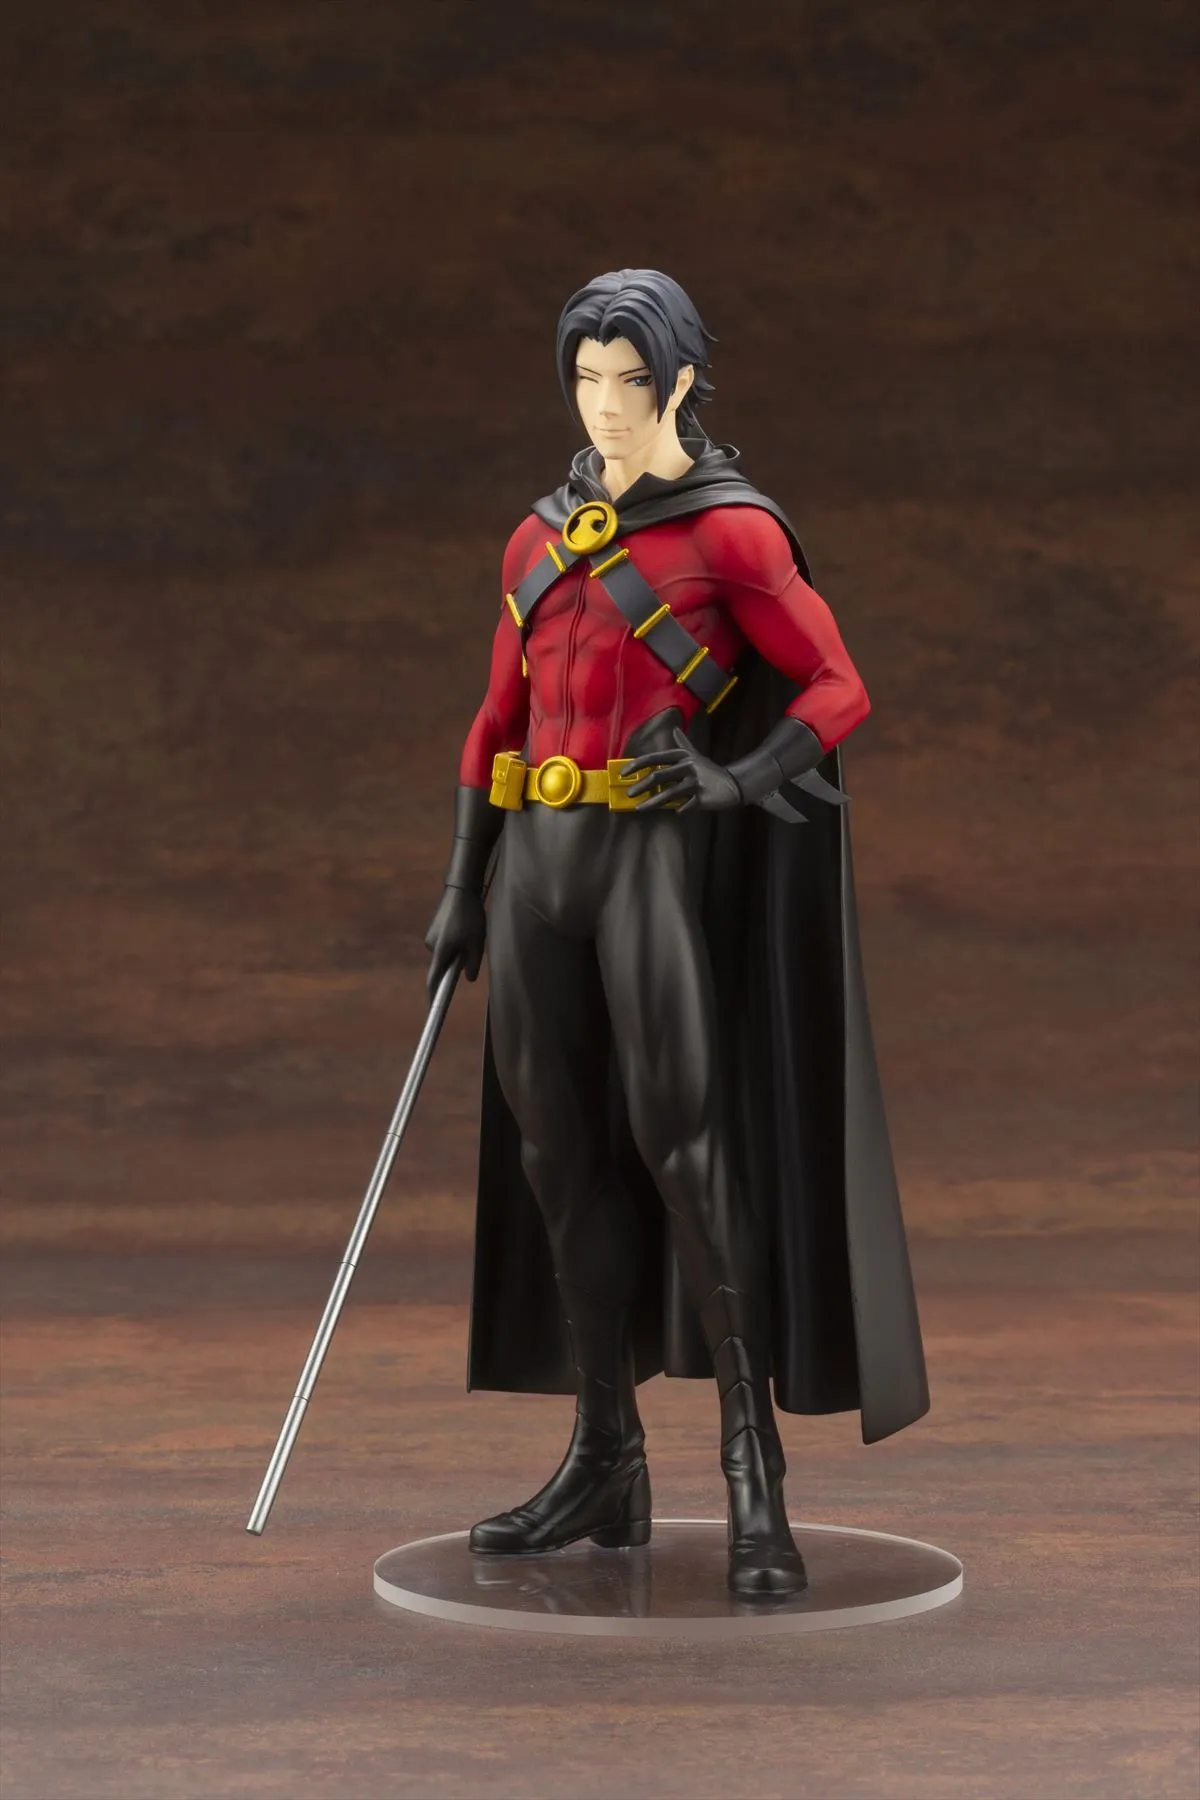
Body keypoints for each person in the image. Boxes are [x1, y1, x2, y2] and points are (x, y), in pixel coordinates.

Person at [424, 269, 928, 1598]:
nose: (603, 405)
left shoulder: (732, 533)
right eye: (585, 378)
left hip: (641, 868)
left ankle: (755, 1472)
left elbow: (839, 685)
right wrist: (464, 881)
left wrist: (734, 781)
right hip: (535, 872)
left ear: (683, 381)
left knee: (687, 1161)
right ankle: (607, 1456)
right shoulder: (536, 539)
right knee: (558, 1163)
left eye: (631, 380)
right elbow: (493, 719)